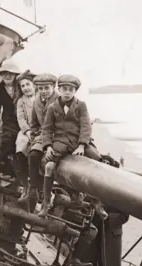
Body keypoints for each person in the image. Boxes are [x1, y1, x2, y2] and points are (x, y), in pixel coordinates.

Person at [39, 75, 101, 217]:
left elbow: (85, 126)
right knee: (49, 166)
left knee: (97, 161)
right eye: (64, 89)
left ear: (75, 91)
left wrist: (81, 145)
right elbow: (47, 129)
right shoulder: (52, 108)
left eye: (71, 89)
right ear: (58, 90)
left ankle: (96, 202)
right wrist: (47, 146)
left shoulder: (81, 105)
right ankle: (46, 202)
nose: (67, 92)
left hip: (77, 141)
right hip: (60, 142)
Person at [17, 73, 58, 211]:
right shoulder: (37, 102)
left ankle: (44, 194)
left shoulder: (59, 101)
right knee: (33, 155)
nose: (44, 91)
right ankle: (32, 189)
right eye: (41, 88)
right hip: (41, 134)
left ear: (53, 87)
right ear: (37, 89)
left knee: (47, 160)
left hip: (56, 135)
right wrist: (33, 135)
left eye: (47, 88)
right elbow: (34, 123)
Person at [15, 70, 36, 199]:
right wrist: (27, 131)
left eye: (28, 84)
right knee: (21, 145)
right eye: (23, 86)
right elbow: (21, 118)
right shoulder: (21, 101)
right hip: (26, 129)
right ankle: (25, 184)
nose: (26, 88)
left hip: (41, 130)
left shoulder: (41, 98)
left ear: (33, 85)